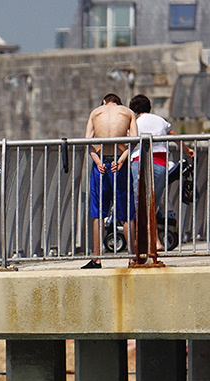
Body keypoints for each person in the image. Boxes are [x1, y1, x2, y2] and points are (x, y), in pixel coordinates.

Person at [81, 93, 138, 269]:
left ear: (104, 102)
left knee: (98, 212)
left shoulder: (96, 112)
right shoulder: (128, 113)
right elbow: (134, 141)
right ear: (118, 103)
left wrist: (97, 162)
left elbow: (87, 141)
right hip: (119, 162)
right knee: (127, 212)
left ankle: (97, 258)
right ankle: (133, 257)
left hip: (101, 164)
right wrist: (121, 161)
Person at [128, 94, 195, 230]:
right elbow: (174, 136)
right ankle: (154, 241)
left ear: (134, 109)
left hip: (139, 162)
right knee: (153, 202)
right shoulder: (160, 120)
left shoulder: (134, 122)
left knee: (139, 202)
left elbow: (130, 143)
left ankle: (140, 238)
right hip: (160, 163)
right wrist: (187, 150)